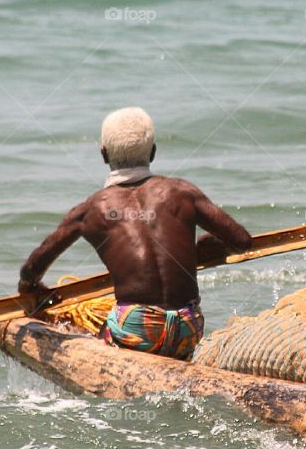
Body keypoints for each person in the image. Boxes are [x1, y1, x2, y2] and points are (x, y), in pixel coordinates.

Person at [17, 107, 251, 359]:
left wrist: (31, 288)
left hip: (135, 329)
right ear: (152, 152)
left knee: (84, 333)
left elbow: (31, 270)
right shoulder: (184, 192)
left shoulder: (89, 211)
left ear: (103, 155)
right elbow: (242, 241)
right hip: (188, 325)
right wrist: (208, 246)